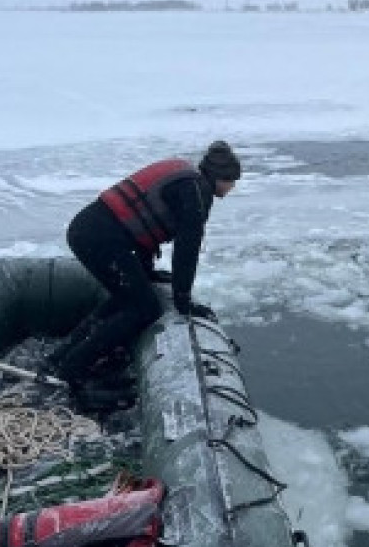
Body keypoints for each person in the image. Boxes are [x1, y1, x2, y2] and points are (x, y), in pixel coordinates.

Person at [41, 140, 242, 404]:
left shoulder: (186, 178)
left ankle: (60, 357)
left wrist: (146, 272)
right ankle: (72, 372)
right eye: (232, 181)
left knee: (126, 298)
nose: (232, 188)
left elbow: (142, 226)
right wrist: (183, 300)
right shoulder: (194, 192)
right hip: (99, 237)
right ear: (220, 178)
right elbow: (187, 248)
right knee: (144, 309)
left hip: (89, 230)